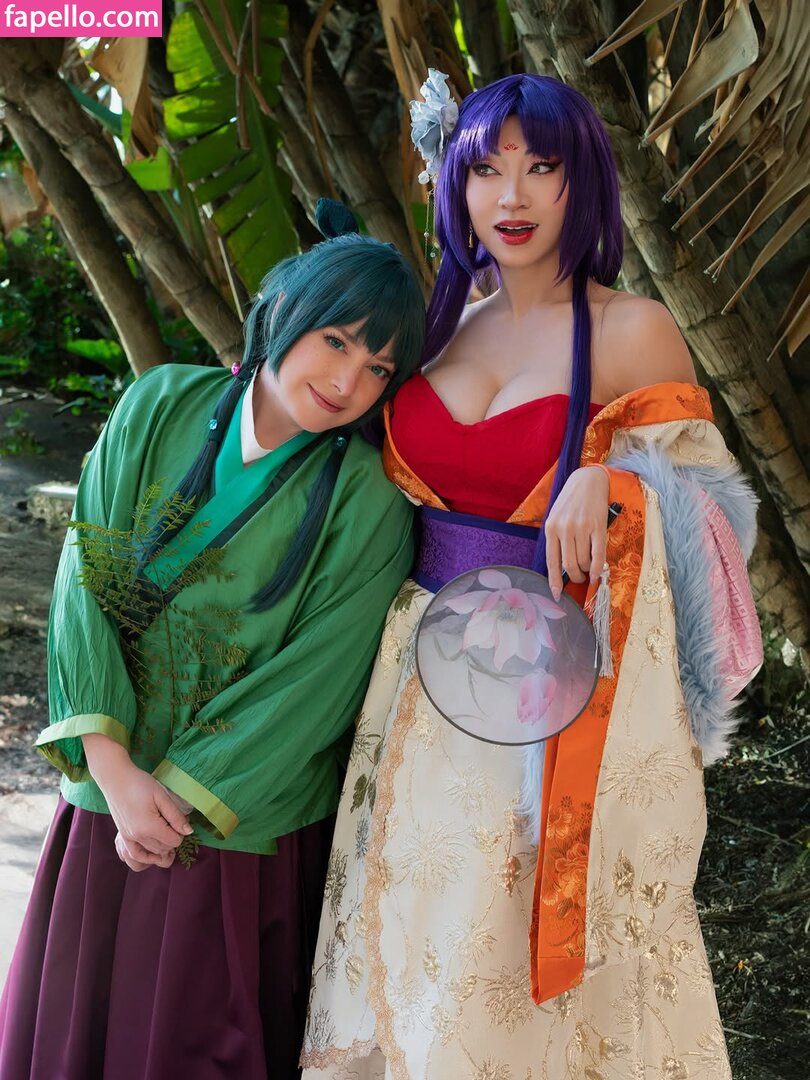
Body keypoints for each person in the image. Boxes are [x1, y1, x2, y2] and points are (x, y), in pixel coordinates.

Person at [300, 74, 761, 1079]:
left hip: (548, 698)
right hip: (411, 684)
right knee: (410, 950)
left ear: (581, 180)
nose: (510, 196)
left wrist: (617, 484)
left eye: (541, 166)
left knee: (503, 967)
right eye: (486, 169)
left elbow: (719, 535)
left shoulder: (634, 329)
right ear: (454, 185)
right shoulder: (438, 325)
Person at [0, 204, 426, 1080]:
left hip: (231, 825)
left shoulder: (370, 496)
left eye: (379, 367)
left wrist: (171, 801)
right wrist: (114, 772)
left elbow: (315, 682)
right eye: (337, 341)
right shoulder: (159, 404)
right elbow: (85, 579)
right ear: (284, 310)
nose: (349, 380)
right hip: (108, 795)